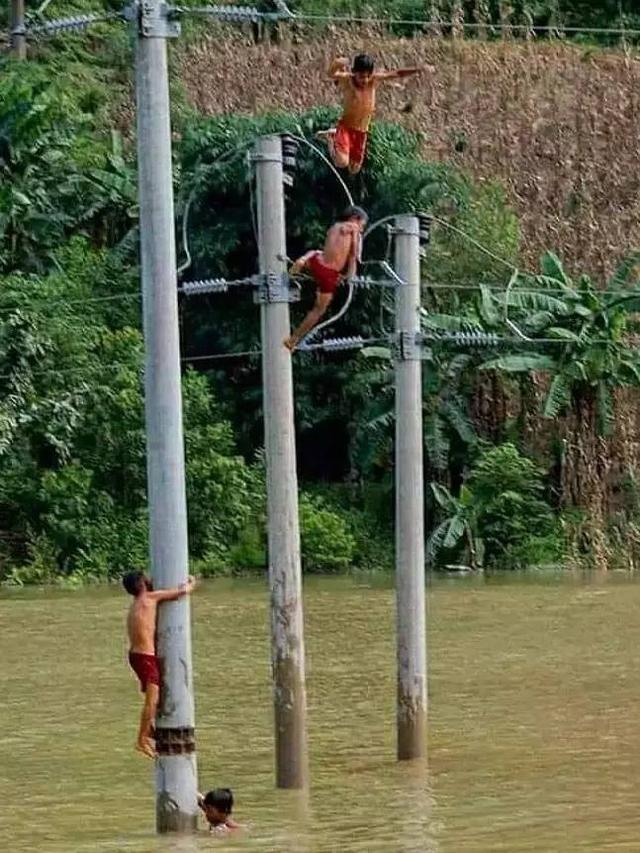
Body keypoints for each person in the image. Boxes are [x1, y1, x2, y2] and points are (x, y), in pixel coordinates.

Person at [122, 570, 196, 758]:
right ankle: (141, 739)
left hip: (137, 656)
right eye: (146, 578)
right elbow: (180, 592)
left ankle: (149, 730)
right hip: (145, 658)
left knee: (154, 699)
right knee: (152, 700)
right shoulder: (150, 598)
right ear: (142, 583)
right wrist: (191, 582)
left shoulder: (136, 604)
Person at [317, 53, 424, 174]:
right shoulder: (348, 80)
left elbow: (397, 73)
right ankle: (331, 138)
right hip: (346, 127)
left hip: (362, 131)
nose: (365, 80)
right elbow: (331, 74)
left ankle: (335, 136)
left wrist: (417, 69)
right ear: (354, 72)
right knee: (341, 162)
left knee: (354, 169)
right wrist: (338, 63)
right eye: (361, 77)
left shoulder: (374, 80)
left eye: (368, 76)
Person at [284, 205, 368, 352]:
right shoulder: (354, 228)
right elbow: (353, 255)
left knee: (315, 252)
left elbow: (333, 248)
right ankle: (293, 340)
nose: (361, 229)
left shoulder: (335, 226)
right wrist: (350, 276)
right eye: (362, 225)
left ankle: (300, 263)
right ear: (355, 218)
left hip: (317, 262)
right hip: (328, 273)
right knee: (318, 310)